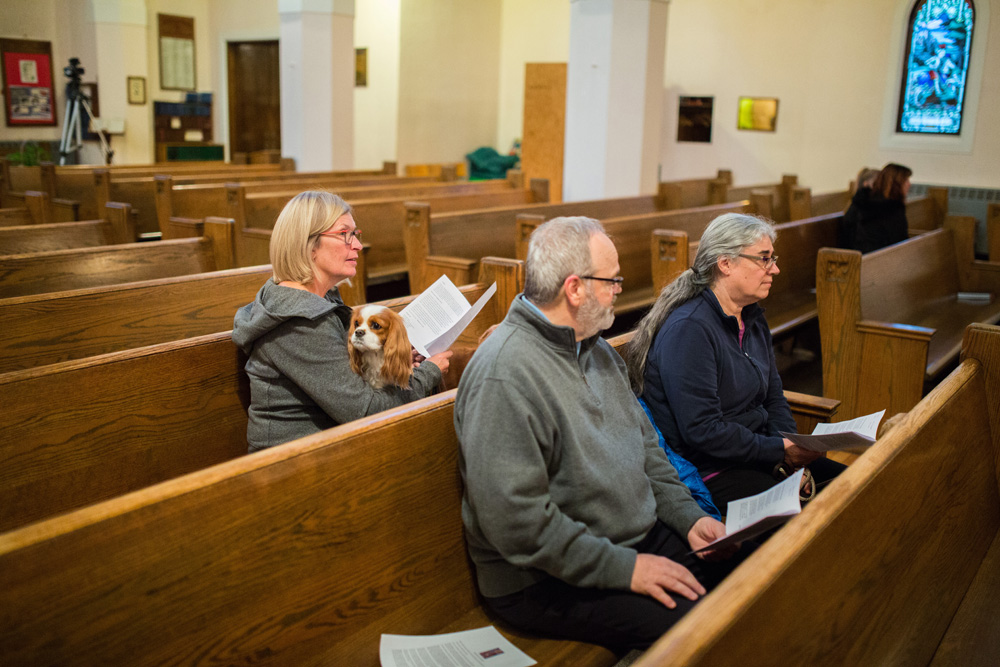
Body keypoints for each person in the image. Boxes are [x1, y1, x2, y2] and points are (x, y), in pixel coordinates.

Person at [455, 216, 748, 652]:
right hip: (544, 577)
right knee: (708, 634)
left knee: (751, 576)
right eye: (611, 281)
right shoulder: (505, 375)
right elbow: (518, 526)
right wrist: (627, 569)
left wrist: (689, 518)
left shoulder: (592, 348)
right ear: (574, 289)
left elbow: (648, 450)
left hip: (629, 540)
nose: (618, 291)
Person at [624, 213, 844, 510]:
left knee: (854, 485)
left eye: (773, 258)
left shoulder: (751, 317)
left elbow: (773, 396)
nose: (775, 269)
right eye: (764, 259)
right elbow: (703, 430)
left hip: (758, 452)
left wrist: (790, 453)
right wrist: (779, 450)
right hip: (712, 470)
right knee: (810, 520)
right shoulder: (690, 330)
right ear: (725, 263)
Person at [232, 190, 451, 452]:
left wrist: (397, 364)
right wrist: (428, 374)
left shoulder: (313, 301)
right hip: (295, 466)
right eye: (344, 234)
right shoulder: (299, 323)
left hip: (327, 449)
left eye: (355, 235)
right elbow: (367, 410)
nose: (357, 245)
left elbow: (351, 381)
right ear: (308, 244)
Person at [842, 162, 913, 253]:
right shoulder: (890, 209)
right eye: (906, 180)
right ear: (896, 183)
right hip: (873, 258)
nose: (909, 184)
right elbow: (898, 241)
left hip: (872, 255)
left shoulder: (867, 202)